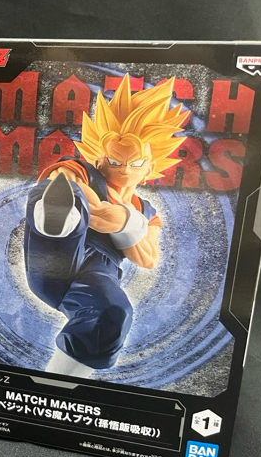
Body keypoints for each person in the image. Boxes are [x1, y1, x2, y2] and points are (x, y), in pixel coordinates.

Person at [24, 74, 189, 378]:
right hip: (57, 258)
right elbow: (88, 205)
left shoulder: (147, 212)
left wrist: (129, 222)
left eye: (134, 163)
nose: (124, 170)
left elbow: (148, 258)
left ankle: (55, 386)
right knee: (65, 193)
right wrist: (117, 221)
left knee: (113, 313)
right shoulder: (79, 170)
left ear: (150, 168)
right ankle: (57, 223)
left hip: (96, 276)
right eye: (115, 161)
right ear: (99, 160)